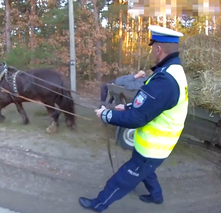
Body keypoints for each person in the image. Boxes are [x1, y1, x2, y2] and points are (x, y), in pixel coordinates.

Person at [78, 25, 189, 212]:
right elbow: (153, 105)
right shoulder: (172, 72)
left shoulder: (165, 80)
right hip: (152, 145)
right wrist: (127, 106)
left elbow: (137, 119)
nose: (153, 51)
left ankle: (98, 204)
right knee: (146, 171)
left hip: (153, 147)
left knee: (123, 179)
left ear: (158, 49)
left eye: (153, 47)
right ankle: (156, 196)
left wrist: (107, 115)